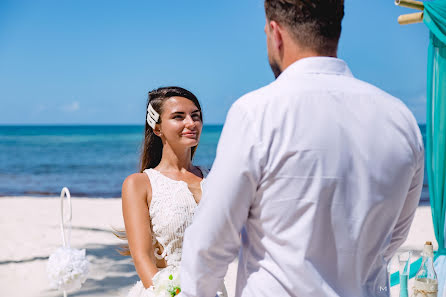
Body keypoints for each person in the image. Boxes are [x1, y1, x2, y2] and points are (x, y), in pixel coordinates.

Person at [179, 1, 424, 297]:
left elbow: (209, 245)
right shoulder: (401, 120)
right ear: (335, 30)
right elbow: (393, 237)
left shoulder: (256, 113)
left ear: (275, 33)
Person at [120, 86, 227, 297]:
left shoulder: (217, 179)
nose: (191, 123)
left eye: (195, 116)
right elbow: (142, 258)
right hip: (163, 292)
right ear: (157, 128)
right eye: (179, 117)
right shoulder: (139, 184)